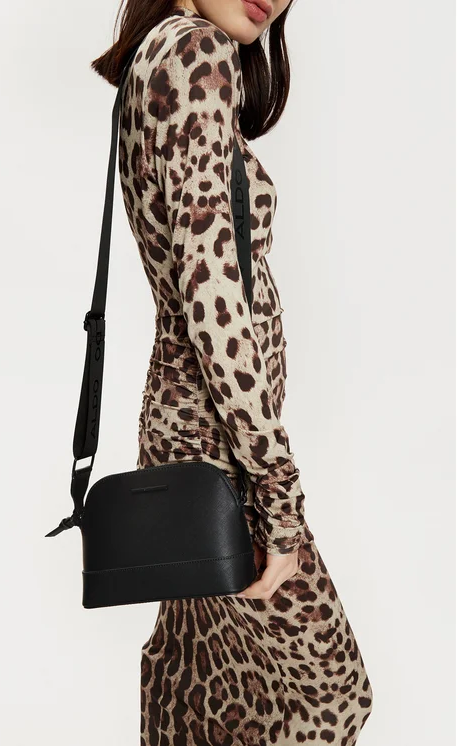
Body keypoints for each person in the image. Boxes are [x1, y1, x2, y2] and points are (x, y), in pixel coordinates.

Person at [93, 1, 373, 743]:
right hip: (221, 456)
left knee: (196, 698)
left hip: (186, 439)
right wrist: (278, 498)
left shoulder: (158, 53)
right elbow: (212, 292)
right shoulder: (197, 52)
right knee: (330, 695)